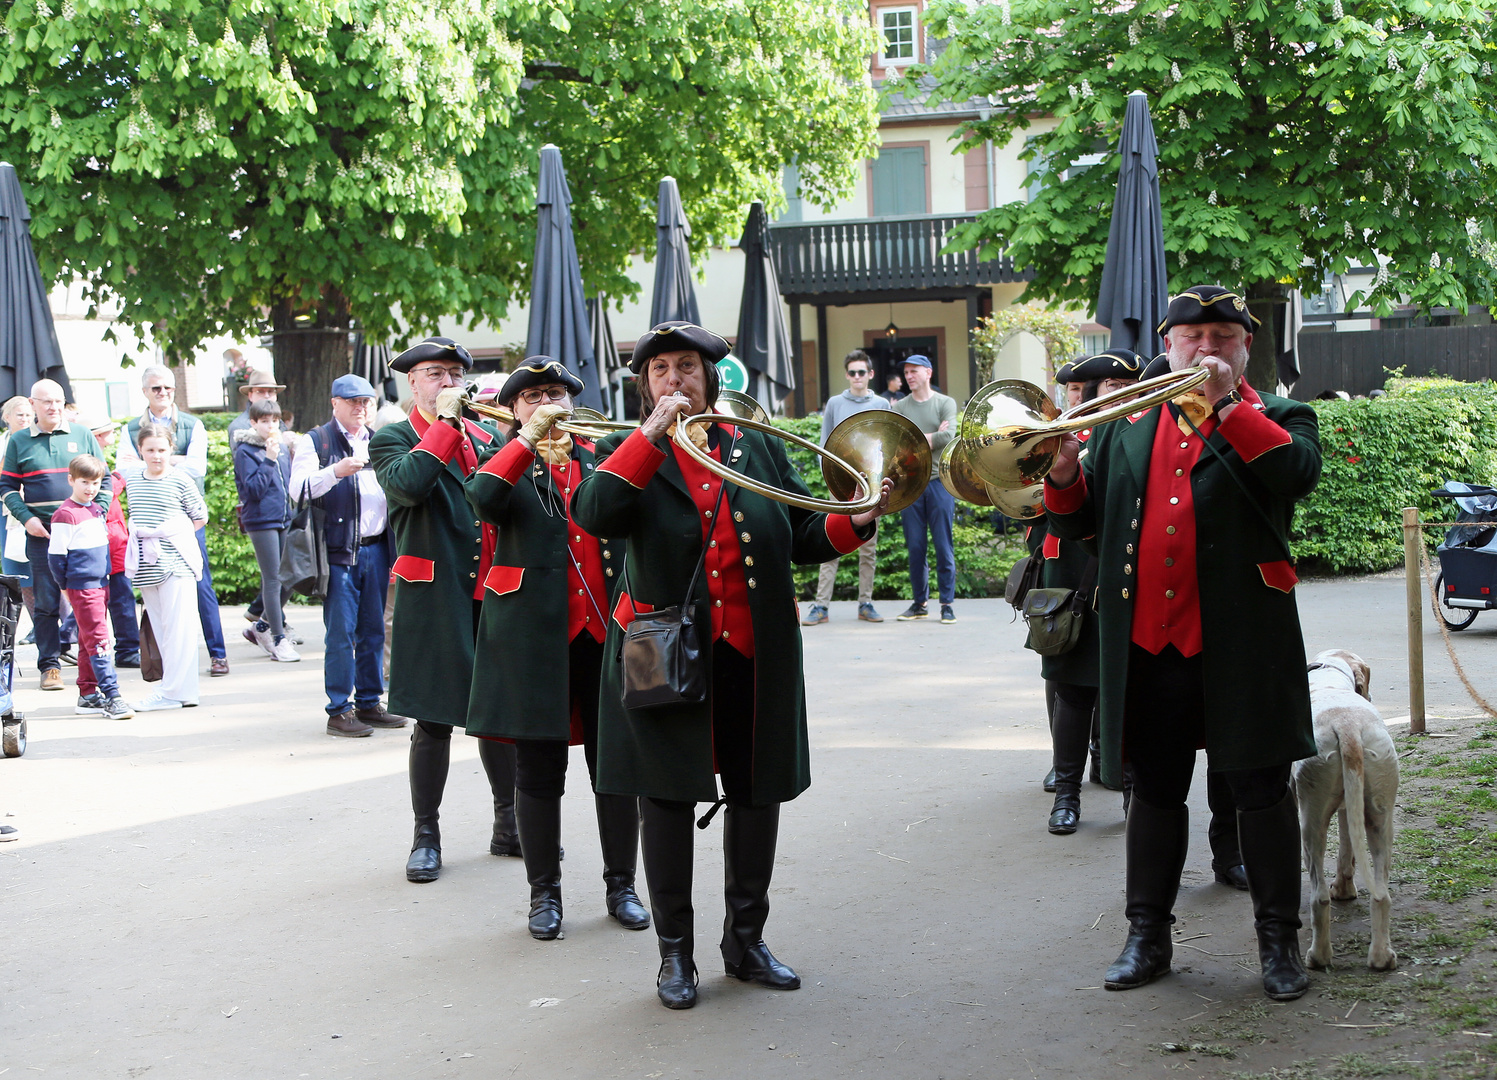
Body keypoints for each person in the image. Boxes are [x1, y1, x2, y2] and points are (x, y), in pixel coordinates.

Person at [571, 320, 892, 1011]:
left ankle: (745, 944)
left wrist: (858, 518)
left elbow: (803, 533)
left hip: (753, 651)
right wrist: (650, 435)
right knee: (664, 802)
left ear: (710, 377)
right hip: (663, 658)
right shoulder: (625, 451)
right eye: (659, 371)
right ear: (644, 385)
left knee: (756, 794)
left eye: (686, 367)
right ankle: (675, 957)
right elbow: (595, 512)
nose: (674, 379)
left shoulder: (755, 447)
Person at [1044, 285, 1322, 1001]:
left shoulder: (1280, 415)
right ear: (1165, 347)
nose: (1205, 349)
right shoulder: (1123, 424)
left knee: (1260, 792)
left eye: (1222, 337)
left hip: (1241, 643)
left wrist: (1228, 409)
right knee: (1155, 793)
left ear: (1244, 348)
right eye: (1190, 338)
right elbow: (1085, 528)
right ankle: (1146, 935)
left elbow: (1294, 475)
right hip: (1148, 646)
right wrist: (1065, 476)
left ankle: (1277, 941)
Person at [464, 357, 648, 941]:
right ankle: (545, 894)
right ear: (513, 408)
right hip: (532, 640)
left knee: (614, 769)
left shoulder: (600, 454)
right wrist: (525, 438)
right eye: (534, 396)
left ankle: (622, 886)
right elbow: (485, 498)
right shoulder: (505, 461)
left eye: (557, 395)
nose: (548, 404)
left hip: (606, 636)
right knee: (538, 771)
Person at [371, 338, 519, 881]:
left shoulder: (484, 434)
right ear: (413, 383)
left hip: (490, 589)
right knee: (433, 720)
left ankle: (509, 824)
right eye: (435, 374)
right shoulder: (393, 437)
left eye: (456, 374)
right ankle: (426, 835)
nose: (448, 384)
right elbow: (408, 488)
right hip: (432, 595)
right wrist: (447, 428)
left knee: (497, 717)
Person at [1027, 350, 1142, 835]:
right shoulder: (1067, 434)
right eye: (1101, 387)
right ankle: (1068, 793)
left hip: (1123, 577)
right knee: (1071, 686)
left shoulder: (1141, 431)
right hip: (1069, 572)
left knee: (1131, 688)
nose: (1109, 394)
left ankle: (1132, 790)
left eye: (1120, 386)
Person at [293, 374, 407, 736]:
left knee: (374, 630)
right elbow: (297, 490)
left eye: (366, 402)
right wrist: (335, 472)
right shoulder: (317, 441)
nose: (361, 408)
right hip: (339, 552)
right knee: (341, 633)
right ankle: (339, 709)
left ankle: (370, 702)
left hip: (376, 549)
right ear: (335, 403)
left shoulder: (379, 441)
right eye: (353, 401)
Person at [116, 365, 229, 677]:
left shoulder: (193, 425)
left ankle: (217, 654)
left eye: (168, 387)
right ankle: (164, 662)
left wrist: (150, 461)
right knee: (152, 591)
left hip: (184, 522)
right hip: (149, 524)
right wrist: (169, 461)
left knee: (201, 584)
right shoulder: (129, 428)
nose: (163, 393)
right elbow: (122, 470)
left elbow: (198, 468)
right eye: (156, 388)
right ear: (144, 392)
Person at [0, 380, 111, 690]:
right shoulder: (19, 441)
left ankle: (93, 663)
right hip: (42, 536)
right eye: (46, 401)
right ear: (33, 404)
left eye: (58, 401)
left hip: (84, 535)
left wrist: (96, 513)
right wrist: (26, 518)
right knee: (46, 603)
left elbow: (105, 480)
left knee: (91, 599)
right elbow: (6, 487)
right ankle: (49, 665)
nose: (53, 407)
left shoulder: (82, 434)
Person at [802, 350, 892, 627]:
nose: (856, 377)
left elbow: (888, 442)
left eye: (861, 372)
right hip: (841, 485)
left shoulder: (881, 403)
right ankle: (821, 606)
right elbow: (824, 442)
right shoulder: (835, 403)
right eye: (852, 372)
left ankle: (865, 603)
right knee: (831, 541)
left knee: (869, 547)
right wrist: (830, 475)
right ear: (846, 375)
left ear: (870, 375)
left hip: (871, 486)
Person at [125, 424, 208, 711]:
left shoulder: (180, 479)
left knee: (179, 628)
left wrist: (172, 535)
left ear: (171, 450)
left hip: (176, 562)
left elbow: (200, 516)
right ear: (140, 451)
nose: (156, 455)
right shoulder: (133, 479)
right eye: (150, 450)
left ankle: (177, 692)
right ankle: (174, 689)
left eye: (162, 450)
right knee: (161, 628)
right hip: (147, 563)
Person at [46, 454, 133, 720]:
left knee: (87, 640)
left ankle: (87, 694)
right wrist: (66, 586)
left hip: (101, 583)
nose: (90, 488)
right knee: (100, 640)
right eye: (84, 482)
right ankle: (112, 695)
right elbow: (55, 557)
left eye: (95, 483)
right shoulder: (65, 514)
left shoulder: (95, 508)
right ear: (71, 480)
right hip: (82, 587)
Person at [892, 355, 959, 623]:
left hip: (940, 483)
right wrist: (930, 438)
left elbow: (949, 435)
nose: (909, 376)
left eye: (914, 371)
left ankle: (947, 604)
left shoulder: (945, 403)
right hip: (910, 486)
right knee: (916, 547)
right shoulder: (900, 407)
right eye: (906, 371)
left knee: (944, 545)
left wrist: (916, 440)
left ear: (928, 372)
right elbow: (898, 444)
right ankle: (920, 603)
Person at [233, 400, 298, 663]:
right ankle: (278, 639)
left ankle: (260, 625)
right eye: (264, 421)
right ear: (253, 423)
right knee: (273, 578)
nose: (270, 426)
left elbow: (290, 482)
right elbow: (253, 491)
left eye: (274, 421)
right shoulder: (245, 450)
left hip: (284, 517)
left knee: (292, 576)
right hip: (261, 521)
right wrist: (269, 459)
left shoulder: (281, 446)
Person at [86, 419, 141, 669]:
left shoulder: (98, 456)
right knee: (106, 599)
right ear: (97, 435)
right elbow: (100, 490)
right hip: (105, 538)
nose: (112, 436)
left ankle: (127, 649)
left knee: (119, 597)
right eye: (107, 431)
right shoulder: (87, 460)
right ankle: (122, 649)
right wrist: (120, 476)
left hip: (115, 538)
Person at [1, 397, 38, 642]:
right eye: (20, 415)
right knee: (17, 571)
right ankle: (37, 625)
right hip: (6, 514)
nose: (25, 419)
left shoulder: (35, 439)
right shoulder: (3, 442)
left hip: (32, 511)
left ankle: (66, 625)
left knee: (43, 572)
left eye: (28, 415)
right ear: (7, 418)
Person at [227, 369, 286, 439]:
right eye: (260, 391)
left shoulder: (279, 421)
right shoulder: (240, 427)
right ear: (250, 396)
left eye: (271, 391)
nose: (266, 396)